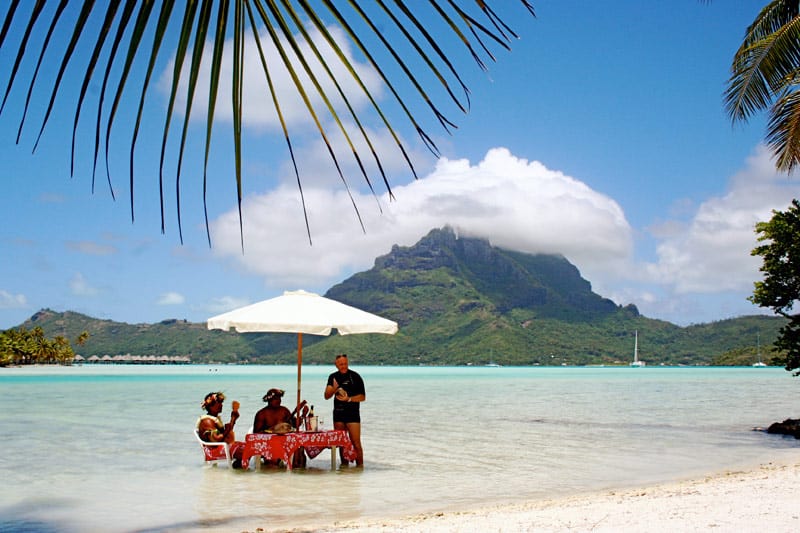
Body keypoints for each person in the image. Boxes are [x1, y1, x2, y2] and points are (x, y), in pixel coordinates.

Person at [324, 353, 365, 466]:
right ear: (336, 365)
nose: (344, 366)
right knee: (341, 442)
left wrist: (349, 399)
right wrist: (335, 389)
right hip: (338, 414)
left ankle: (360, 467)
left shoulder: (355, 376)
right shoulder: (333, 377)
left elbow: (362, 397)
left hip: (352, 414)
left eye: (345, 363)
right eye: (341, 364)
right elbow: (326, 396)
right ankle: (344, 467)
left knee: (356, 443)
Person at [252, 388, 307, 467]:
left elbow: (295, 425)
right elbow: (256, 435)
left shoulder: (284, 410)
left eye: (279, 398)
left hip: (285, 443)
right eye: (276, 398)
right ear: (269, 400)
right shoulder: (262, 414)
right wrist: (272, 430)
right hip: (268, 445)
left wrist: (303, 415)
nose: (279, 400)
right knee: (272, 464)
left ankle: (299, 476)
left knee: (300, 451)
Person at [196, 391, 244, 468]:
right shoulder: (207, 421)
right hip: (213, 451)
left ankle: (238, 470)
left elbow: (226, 435)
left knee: (248, 446)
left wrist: (233, 420)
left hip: (220, 446)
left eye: (222, 403)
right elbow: (217, 439)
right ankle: (239, 471)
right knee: (245, 450)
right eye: (218, 402)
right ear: (211, 406)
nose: (221, 405)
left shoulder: (214, 419)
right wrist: (231, 421)